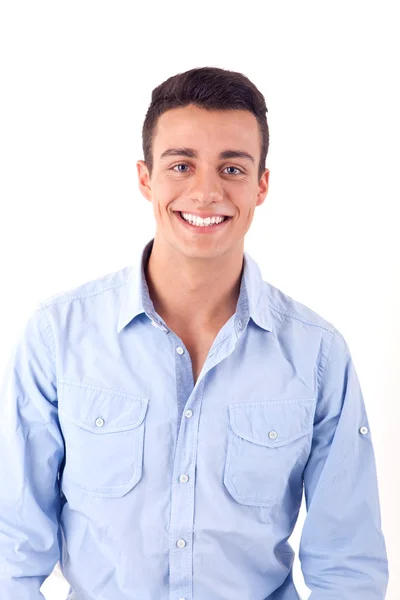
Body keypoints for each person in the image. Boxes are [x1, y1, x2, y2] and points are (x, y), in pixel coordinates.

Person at [0, 66, 389, 599]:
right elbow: (10, 548)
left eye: (232, 168)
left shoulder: (317, 353)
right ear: (145, 178)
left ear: (261, 186)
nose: (206, 191)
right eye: (182, 165)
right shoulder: (58, 337)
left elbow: (347, 566)